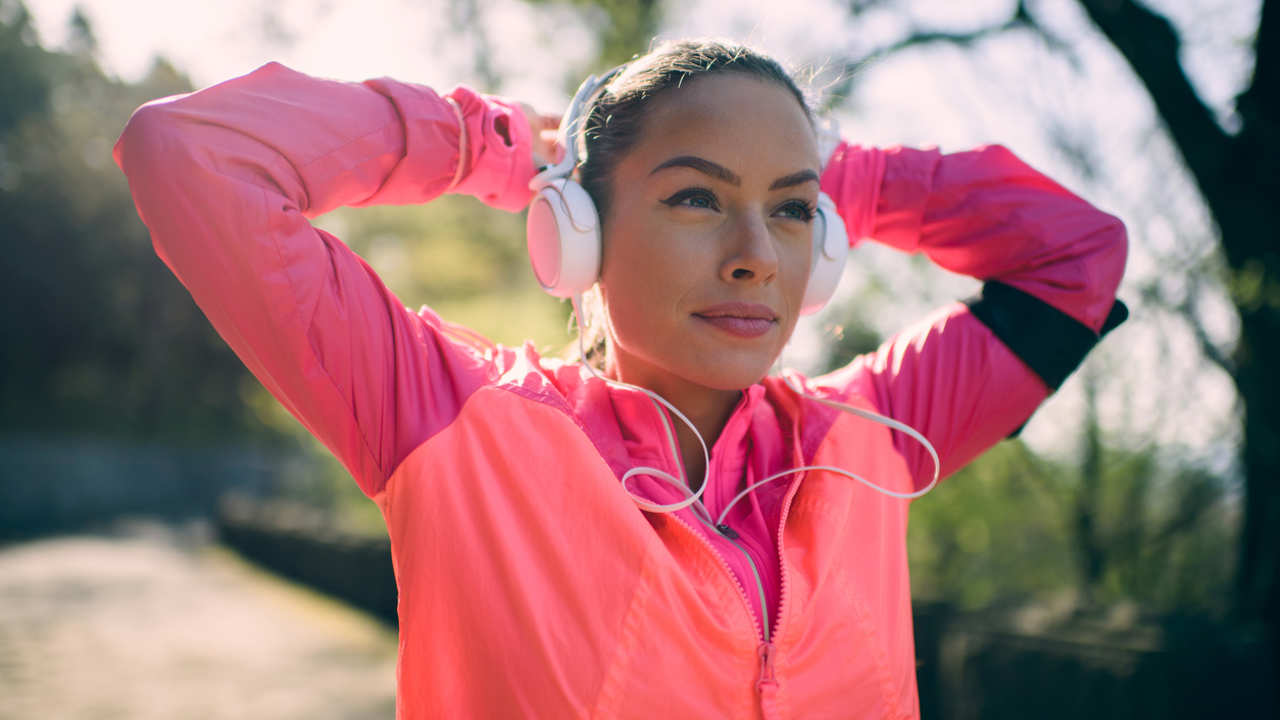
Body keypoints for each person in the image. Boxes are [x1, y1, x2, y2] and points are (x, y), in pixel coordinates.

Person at [114, 38, 1127, 719]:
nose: (754, 257)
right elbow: (192, 154)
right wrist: (497, 148)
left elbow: (1075, 257)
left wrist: (836, 175)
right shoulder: (448, 417)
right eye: (696, 197)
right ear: (578, 230)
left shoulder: (875, 434)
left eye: (786, 213)